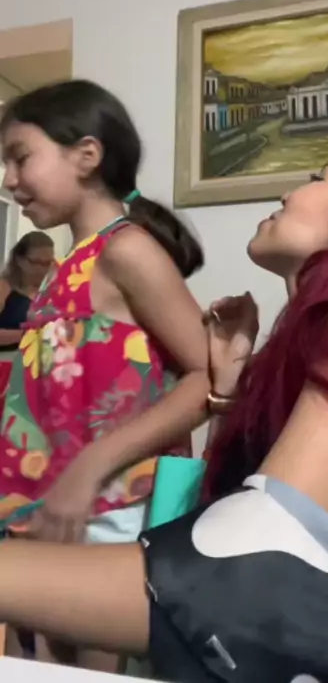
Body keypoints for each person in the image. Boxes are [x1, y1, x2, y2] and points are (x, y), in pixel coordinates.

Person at [0, 149, 328, 681]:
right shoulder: (306, 344)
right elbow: (227, 520)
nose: (287, 192)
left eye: (316, 177)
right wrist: (230, 389)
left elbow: (251, 565)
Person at [0, 80, 211, 672]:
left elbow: (209, 378)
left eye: (21, 158)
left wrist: (88, 470)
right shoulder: (63, 266)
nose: (9, 179)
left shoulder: (126, 251)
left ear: (87, 155)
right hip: (50, 507)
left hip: (107, 508)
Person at [0, 231, 53, 350]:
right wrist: (28, 334)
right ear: (19, 260)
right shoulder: (4, 286)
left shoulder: (50, 291)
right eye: (35, 262)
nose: (41, 269)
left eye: (47, 263)